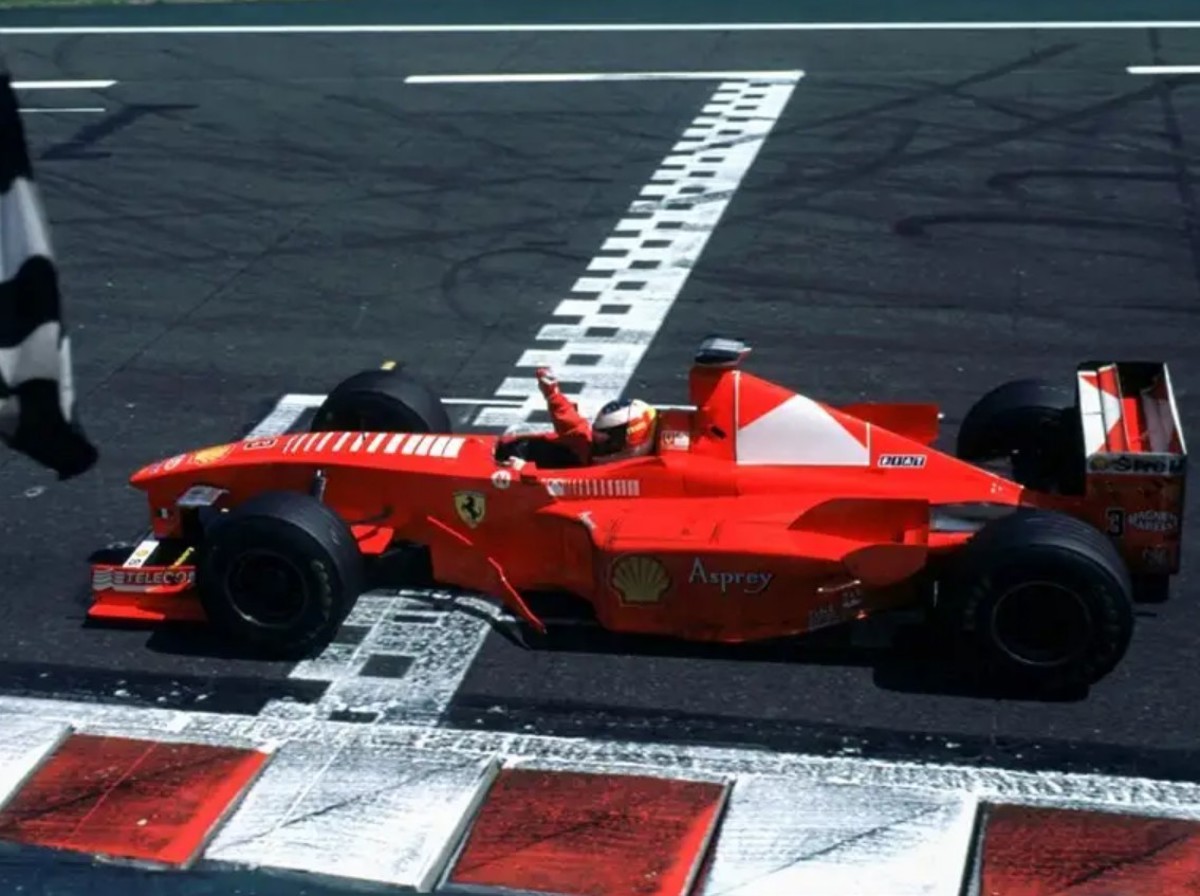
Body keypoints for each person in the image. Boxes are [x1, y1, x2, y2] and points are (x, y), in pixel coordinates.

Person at [497, 367, 659, 467]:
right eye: (597, 436)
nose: (596, 442)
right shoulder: (592, 450)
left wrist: (524, 472)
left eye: (604, 440)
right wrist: (553, 395)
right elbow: (575, 427)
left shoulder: (638, 474)